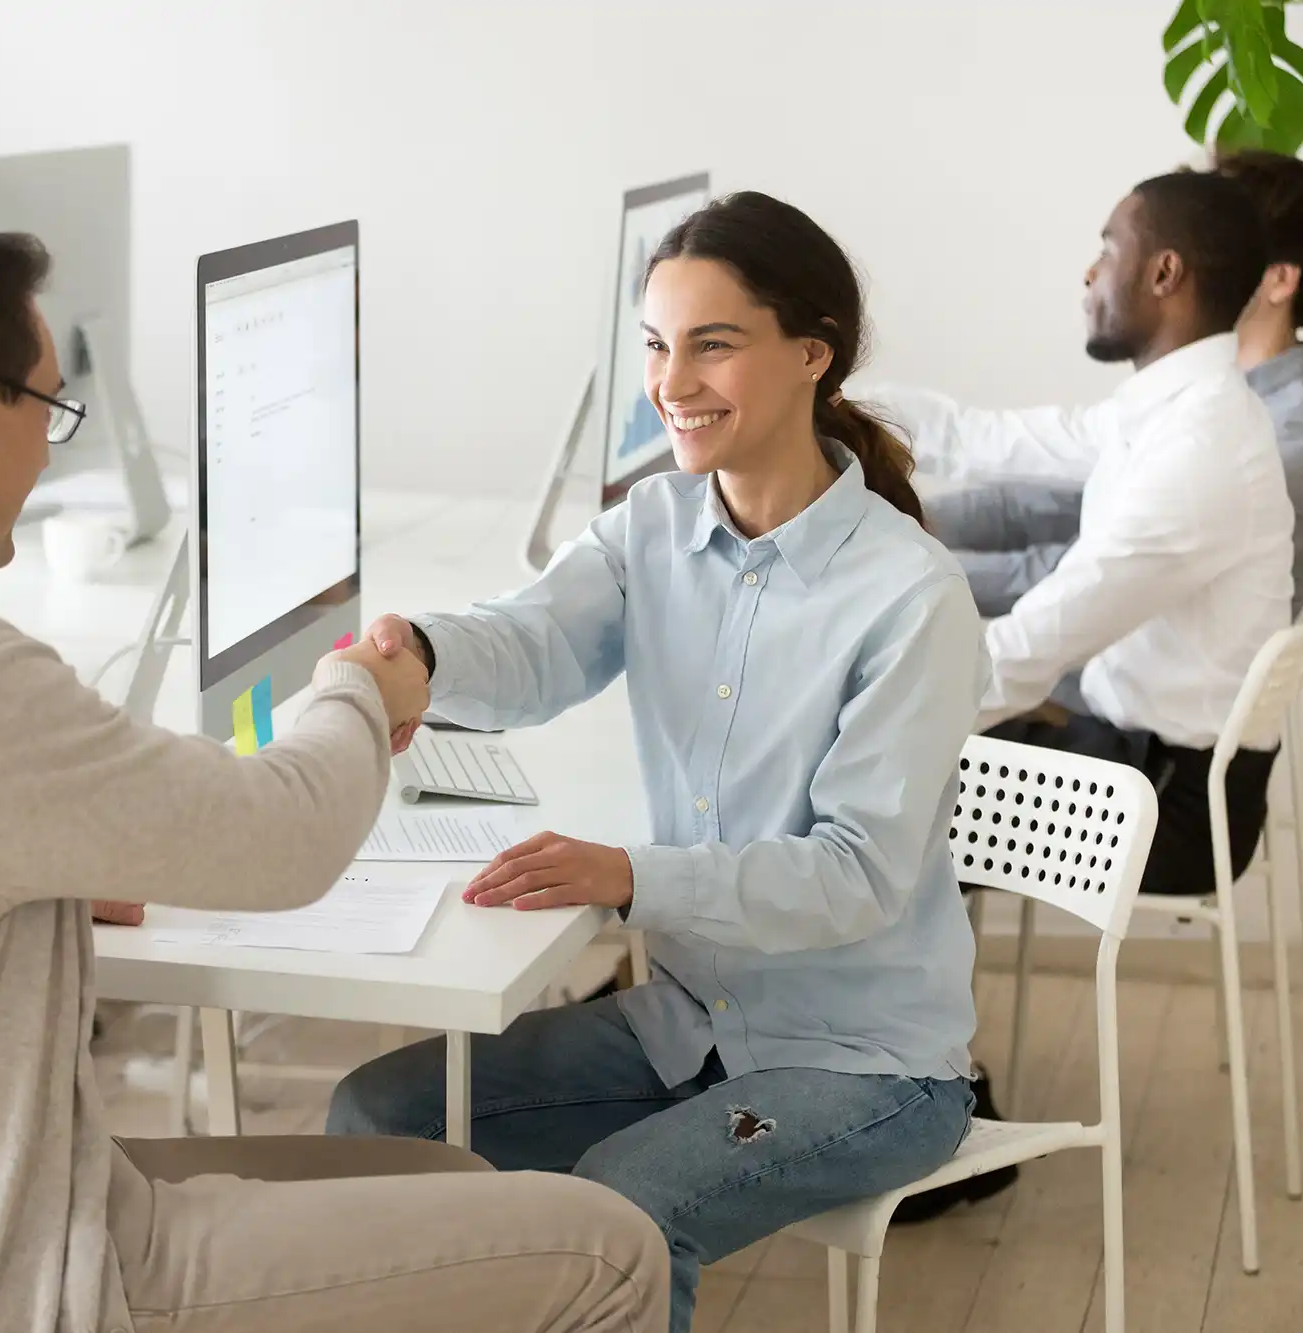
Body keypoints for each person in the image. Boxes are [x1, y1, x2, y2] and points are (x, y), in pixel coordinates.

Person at [0, 217, 667, 1333]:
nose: (52, 452)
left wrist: (44, 872)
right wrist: (364, 690)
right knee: (612, 1251)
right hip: (16, 1283)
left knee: (450, 1182)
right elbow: (287, 837)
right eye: (50, 410)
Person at [326, 192, 988, 1333]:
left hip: (866, 1067)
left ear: (810, 355)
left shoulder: (909, 598)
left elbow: (854, 874)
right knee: (376, 1113)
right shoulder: (651, 529)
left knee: (621, 1211)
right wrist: (422, 655)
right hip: (689, 1021)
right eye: (654, 345)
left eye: (711, 344)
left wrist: (629, 876)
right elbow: (533, 640)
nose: (671, 381)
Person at [874, 169, 1292, 900]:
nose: (1090, 273)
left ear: (1165, 273)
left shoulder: (1201, 451)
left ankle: (797, 1011)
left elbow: (1033, 646)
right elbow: (988, 438)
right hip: (1133, 759)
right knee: (870, 778)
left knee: (865, 802)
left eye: (1107, 248)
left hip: (1165, 805)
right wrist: (822, 398)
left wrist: (859, 721)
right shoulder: (1175, 412)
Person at [921, 151, 1303, 618]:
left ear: (1278, 280)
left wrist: (897, 568)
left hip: (1110, 676)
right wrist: (908, 520)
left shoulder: (1293, 437)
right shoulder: (1195, 395)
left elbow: (1075, 574)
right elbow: (1050, 502)